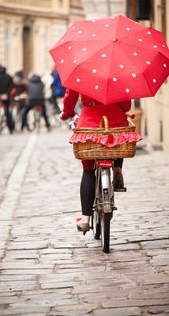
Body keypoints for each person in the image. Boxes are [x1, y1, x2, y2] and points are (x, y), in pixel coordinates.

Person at [60, 89, 132, 234]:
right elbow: (126, 106)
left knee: (88, 170)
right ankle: (117, 170)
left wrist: (67, 113)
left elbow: (70, 97)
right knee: (119, 138)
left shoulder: (82, 70)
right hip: (114, 119)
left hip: (90, 123)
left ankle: (85, 219)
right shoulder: (117, 70)